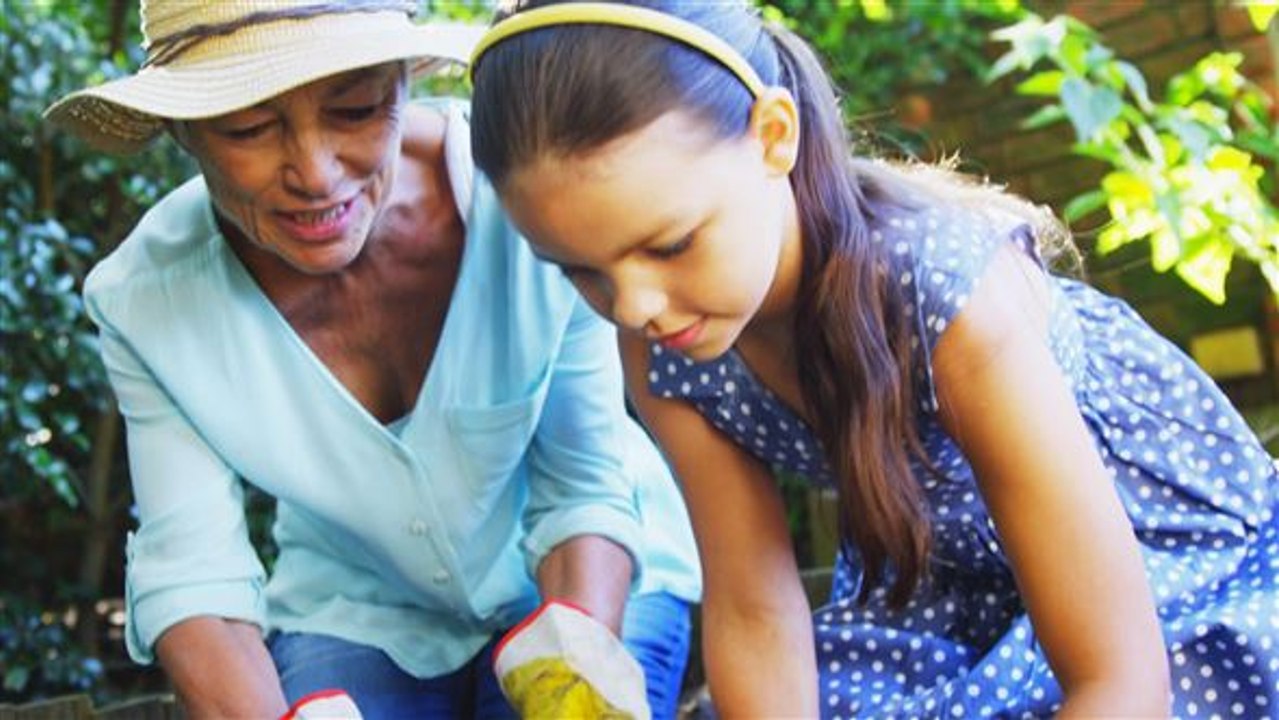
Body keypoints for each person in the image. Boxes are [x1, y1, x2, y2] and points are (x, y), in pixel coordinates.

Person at [468, 1, 1279, 717]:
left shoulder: (948, 293)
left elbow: (1119, 679)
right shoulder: (664, 342)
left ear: (771, 137)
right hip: (946, 593)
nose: (634, 304)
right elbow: (754, 608)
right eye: (579, 269)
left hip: (1153, 564)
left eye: (670, 243)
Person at [43, 1, 701, 718]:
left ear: (403, 82)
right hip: (354, 608)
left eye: (355, 110)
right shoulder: (146, 302)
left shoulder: (527, 197)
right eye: (248, 129)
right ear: (182, 131)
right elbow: (195, 579)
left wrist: (572, 674)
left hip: (586, 571)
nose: (317, 175)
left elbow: (581, 490)